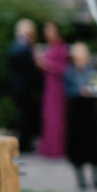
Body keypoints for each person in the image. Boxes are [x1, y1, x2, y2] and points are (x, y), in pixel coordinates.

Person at [64, 42, 97, 190]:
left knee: (94, 147)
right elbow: (66, 91)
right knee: (77, 147)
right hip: (76, 114)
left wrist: (91, 91)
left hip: (90, 112)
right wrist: (79, 91)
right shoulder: (69, 72)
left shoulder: (93, 71)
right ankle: (81, 180)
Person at [36, 21, 69, 158]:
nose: (48, 33)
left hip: (57, 86)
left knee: (56, 117)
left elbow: (64, 68)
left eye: (50, 30)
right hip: (48, 85)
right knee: (47, 116)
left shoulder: (61, 47)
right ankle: (48, 147)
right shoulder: (49, 46)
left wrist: (46, 64)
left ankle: (56, 148)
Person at [9, 19, 38, 152]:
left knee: (24, 115)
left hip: (19, 87)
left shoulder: (17, 45)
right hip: (24, 88)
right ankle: (23, 144)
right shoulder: (23, 46)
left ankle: (24, 142)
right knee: (24, 116)